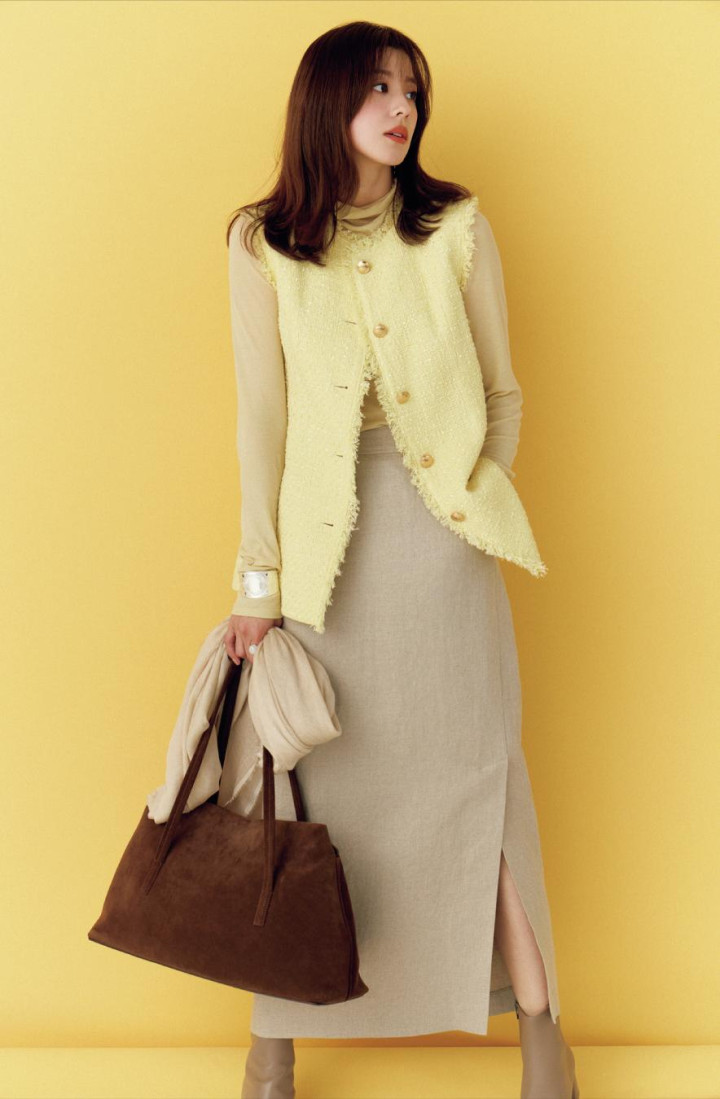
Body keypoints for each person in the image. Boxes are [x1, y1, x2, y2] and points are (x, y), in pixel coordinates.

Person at [223, 21, 579, 1099]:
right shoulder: (262, 244)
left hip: (444, 553)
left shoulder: (455, 226)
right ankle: (275, 1040)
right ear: (327, 100)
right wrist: (258, 583)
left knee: (483, 781)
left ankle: (544, 1032)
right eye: (379, 88)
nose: (401, 109)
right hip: (324, 566)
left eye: (412, 91)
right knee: (307, 795)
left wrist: (470, 496)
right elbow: (262, 424)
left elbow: (503, 392)